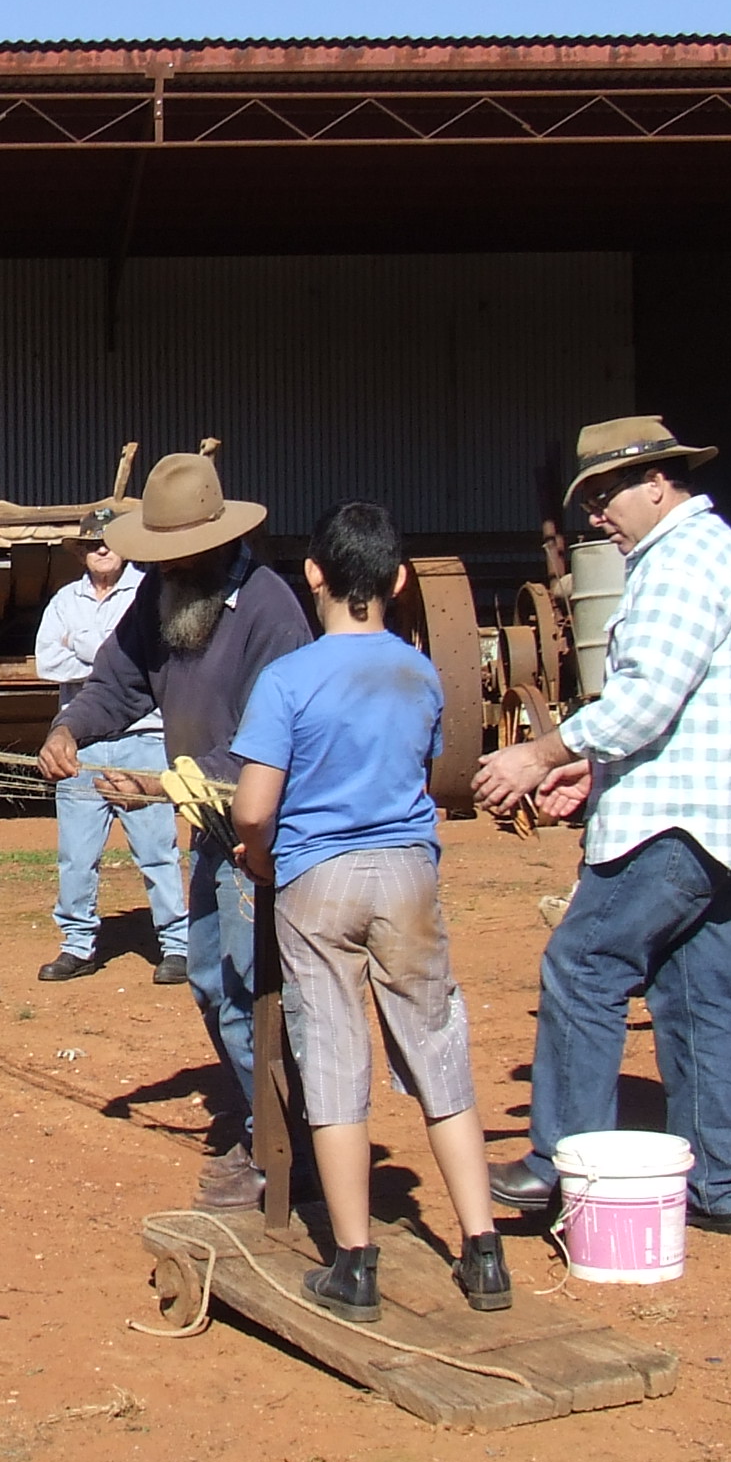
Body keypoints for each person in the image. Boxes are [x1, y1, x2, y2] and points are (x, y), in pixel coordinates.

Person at [472, 417, 731, 1236]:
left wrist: (543, 755)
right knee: (696, 1004)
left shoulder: (679, 563)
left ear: (659, 482)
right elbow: (680, 709)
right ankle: (719, 1188)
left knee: (583, 970)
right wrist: (598, 767)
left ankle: (558, 1162)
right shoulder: (720, 552)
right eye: (590, 500)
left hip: (674, 827)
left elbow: (647, 699)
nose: (597, 515)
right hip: (729, 826)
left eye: (607, 494)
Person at [228, 500, 510, 1320]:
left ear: (311, 574)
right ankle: (483, 1248)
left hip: (318, 877)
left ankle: (354, 1261)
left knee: (337, 1061)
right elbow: (422, 772)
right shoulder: (420, 673)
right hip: (407, 874)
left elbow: (253, 808)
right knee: (436, 1050)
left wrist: (260, 855)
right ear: (399, 580)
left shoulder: (288, 679)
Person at [41, 452, 313, 1210]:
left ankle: (291, 1153)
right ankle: (274, 1127)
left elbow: (273, 746)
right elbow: (117, 682)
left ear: (219, 541)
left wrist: (166, 785)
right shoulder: (164, 594)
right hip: (211, 821)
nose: (163, 567)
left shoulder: (271, 612)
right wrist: (72, 728)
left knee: (254, 988)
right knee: (209, 978)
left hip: (265, 831)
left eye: (175, 553)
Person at [32, 511, 188, 984]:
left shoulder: (151, 594)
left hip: (144, 738)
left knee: (157, 849)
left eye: (109, 541)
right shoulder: (64, 601)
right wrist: (110, 663)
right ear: (81, 551)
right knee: (76, 853)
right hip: (80, 744)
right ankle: (77, 945)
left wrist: (94, 659)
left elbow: (155, 663)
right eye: (92, 543)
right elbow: (46, 661)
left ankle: (177, 945)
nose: (101, 549)